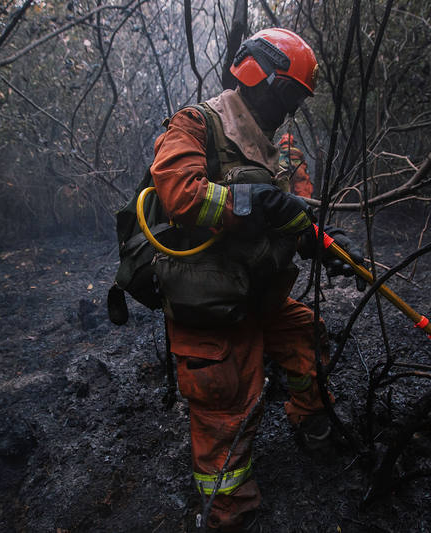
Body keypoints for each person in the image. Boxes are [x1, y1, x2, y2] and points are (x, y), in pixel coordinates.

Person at [149, 28, 360, 531]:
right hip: (212, 308)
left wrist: (324, 245)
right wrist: (252, 200)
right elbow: (179, 194)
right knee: (226, 408)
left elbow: (299, 216)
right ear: (256, 74)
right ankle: (229, 509)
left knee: (309, 340)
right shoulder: (197, 123)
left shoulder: (283, 150)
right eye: (287, 93)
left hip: (262, 295)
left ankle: (312, 425)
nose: (288, 109)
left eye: (297, 100)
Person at [277, 133, 314, 199]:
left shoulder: (278, 154)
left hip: (283, 175)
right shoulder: (297, 152)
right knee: (303, 190)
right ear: (292, 142)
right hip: (298, 173)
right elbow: (303, 164)